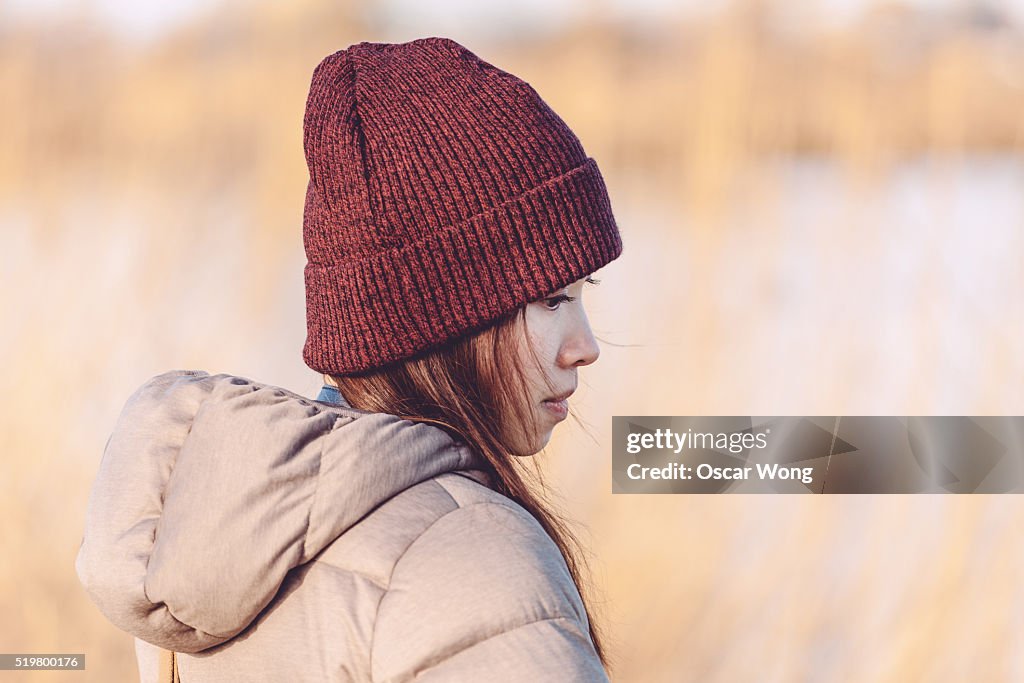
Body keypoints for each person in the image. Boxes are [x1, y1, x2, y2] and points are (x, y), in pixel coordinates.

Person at [76, 36, 622, 682]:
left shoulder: (210, 544)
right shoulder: (474, 560)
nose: (584, 345)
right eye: (553, 298)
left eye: (583, 295)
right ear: (441, 309)